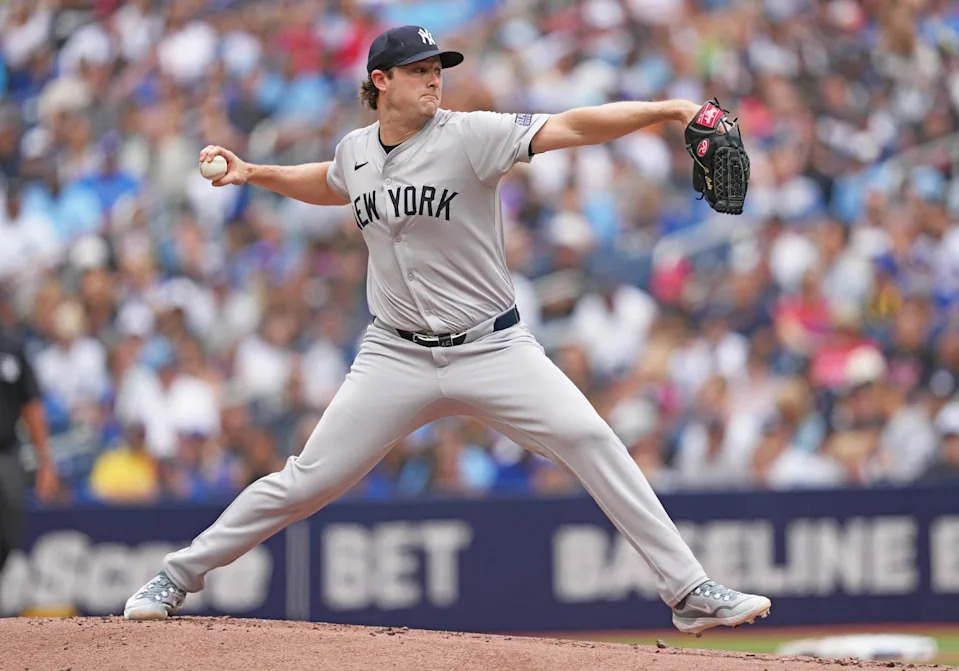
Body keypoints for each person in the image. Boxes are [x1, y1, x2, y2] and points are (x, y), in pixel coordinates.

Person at [124, 25, 771, 635]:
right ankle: (173, 576)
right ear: (380, 80)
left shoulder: (470, 135)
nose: (434, 80)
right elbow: (330, 183)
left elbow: (571, 124)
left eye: (437, 69)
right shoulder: (355, 151)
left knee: (589, 436)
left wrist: (665, 109)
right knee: (306, 479)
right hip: (394, 353)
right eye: (418, 71)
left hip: (492, 344)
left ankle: (688, 590)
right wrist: (255, 173)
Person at [0, 285, 58, 581]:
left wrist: (45, 461)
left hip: (6, 451)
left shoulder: (11, 346)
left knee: (11, 531)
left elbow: (31, 406)